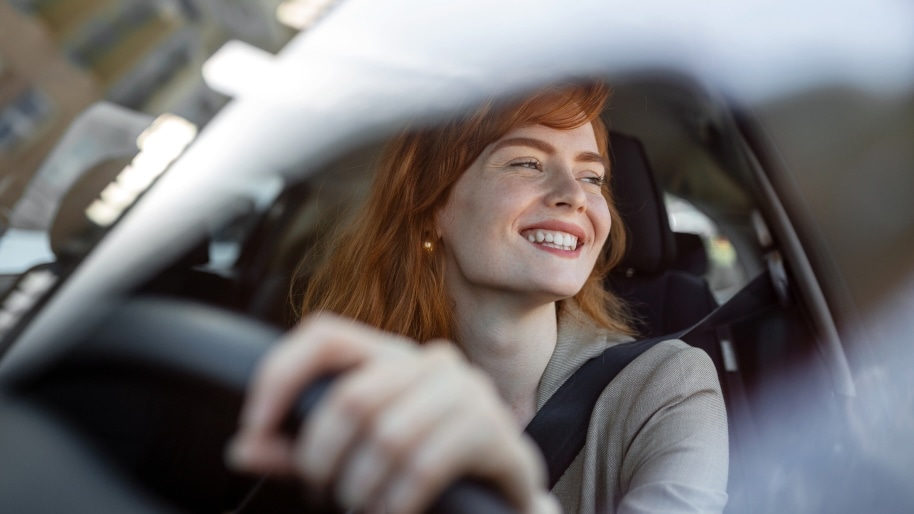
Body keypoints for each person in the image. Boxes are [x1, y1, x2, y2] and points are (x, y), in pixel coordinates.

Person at [228, 83, 729, 514]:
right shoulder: (357, 395)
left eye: (591, 176)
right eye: (527, 162)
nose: (574, 195)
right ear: (433, 209)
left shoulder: (669, 385)